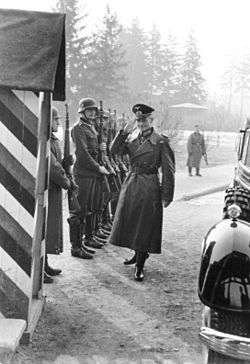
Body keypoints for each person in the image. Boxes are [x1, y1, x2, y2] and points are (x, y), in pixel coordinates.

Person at [109, 104, 175, 282]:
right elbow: (113, 151)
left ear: (152, 120)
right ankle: (137, 254)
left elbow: (168, 170)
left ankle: (140, 264)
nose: (141, 123)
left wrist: (167, 195)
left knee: (144, 223)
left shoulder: (160, 141)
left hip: (149, 185)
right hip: (131, 183)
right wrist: (122, 132)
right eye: (138, 120)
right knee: (130, 219)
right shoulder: (131, 137)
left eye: (144, 120)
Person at [70, 98, 109, 255]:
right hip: (83, 174)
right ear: (82, 111)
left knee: (91, 208)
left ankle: (88, 238)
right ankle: (76, 247)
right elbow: (82, 153)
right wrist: (98, 167)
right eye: (89, 110)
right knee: (79, 211)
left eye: (94, 110)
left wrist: (101, 147)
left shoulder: (92, 127)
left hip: (92, 174)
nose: (92, 112)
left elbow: (93, 149)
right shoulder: (78, 128)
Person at [45, 107, 71, 283]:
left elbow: (57, 163)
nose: (58, 123)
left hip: (52, 190)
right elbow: (53, 167)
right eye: (56, 120)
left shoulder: (52, 139)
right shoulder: (46, 139)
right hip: (48, 189)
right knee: (44, 228)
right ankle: (40, 270)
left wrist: (66, 163)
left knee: (48, 229)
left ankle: (44, 264)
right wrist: (67, 182)